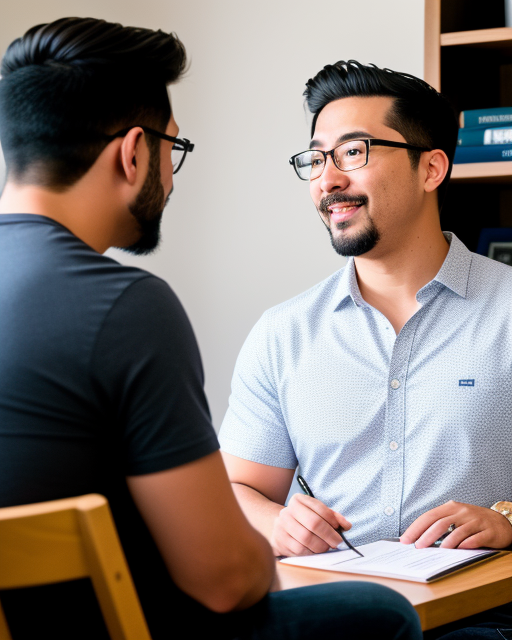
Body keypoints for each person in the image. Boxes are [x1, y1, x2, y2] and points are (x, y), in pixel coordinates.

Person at [0, 22, 421, 640]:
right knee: (379, 616)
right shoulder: (123, 306)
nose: (169, 176)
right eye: (175, 148)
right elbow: (224, 580)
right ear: (134, 152)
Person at [219, 60, 512, 639]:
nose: (327, 180)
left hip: (482, 619)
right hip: (333, 616)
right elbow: (236, 488)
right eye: (316, 158)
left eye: (353, 152)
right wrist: (277, 522)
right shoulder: (283, 334)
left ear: (431, 168)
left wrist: (507, 522)